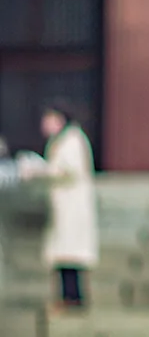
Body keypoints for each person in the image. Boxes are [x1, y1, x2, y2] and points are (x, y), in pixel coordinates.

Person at [19, 102, 98, 311]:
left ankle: (73, 298)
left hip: (72, 207)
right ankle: (67, 297)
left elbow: (67, 171)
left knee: (71, 255)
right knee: (64, 255)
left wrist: (40, 170)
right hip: (63, 206)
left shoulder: (72, 140)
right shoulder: (61, 140)